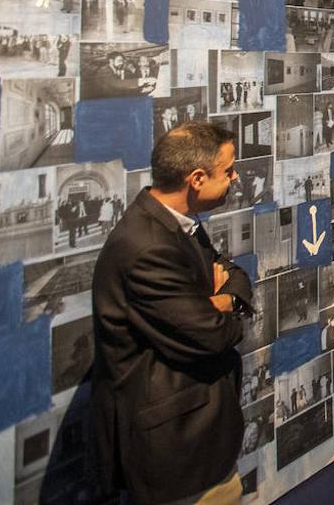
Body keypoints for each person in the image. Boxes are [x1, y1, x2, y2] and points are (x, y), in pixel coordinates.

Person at [91, 123, 253, 504]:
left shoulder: (174, 225)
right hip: (176, 450)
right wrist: (218, 308)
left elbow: (236, 279)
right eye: (228, 170)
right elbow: (214, 334)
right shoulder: (148, 247)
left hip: (198, 435)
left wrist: (224, 299)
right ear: (196, 179)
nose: (236, 177)